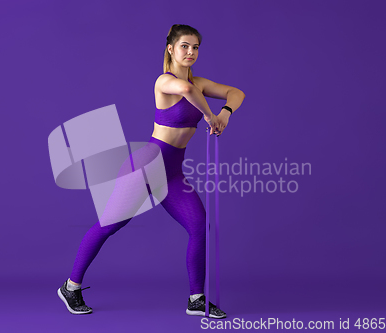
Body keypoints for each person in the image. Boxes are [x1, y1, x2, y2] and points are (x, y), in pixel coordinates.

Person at [57, 24, 245, 319]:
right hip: (146, 166)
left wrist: (225, 114)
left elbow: (236, 92)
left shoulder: (200, 83)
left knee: (199, 225)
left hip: (172, 173)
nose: (191, 52)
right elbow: (184, 90)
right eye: (185, 46)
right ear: (171, 48)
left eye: (195, 47)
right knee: (110, 225)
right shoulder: (165, 82)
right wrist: (209, 115)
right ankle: (71, 286)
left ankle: (196, 298)